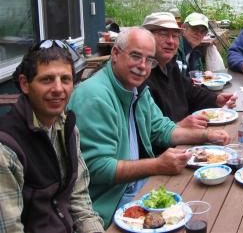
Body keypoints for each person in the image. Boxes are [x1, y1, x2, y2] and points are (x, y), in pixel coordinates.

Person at [67, 28, 230, 227]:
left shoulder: (137, 89)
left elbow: (162, 129)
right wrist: (157, 165)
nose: (143, 66)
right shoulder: (94, 96)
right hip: (110, 205)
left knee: (211, 202)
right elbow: (98, 168)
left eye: (149, 60)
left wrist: (207, 135)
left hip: (138, 186)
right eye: (136, 56)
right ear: (115, 54)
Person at [0, 40, 104, 232]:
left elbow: (79, 201)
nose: (58, 89)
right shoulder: (6, 149)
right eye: (47, 79)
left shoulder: (66, 127)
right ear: (25, 84)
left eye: (65, 79)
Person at [144, 12, 236, 129]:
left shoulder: (170, 64)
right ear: (147, 37)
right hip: (170, 140)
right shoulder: (142, 74)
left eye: (175, 36)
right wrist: (179, 126)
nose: (171, 41)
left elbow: (190, 91)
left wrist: (216, 99)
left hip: (183, 132)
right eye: (163, 34)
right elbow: (149, 128)